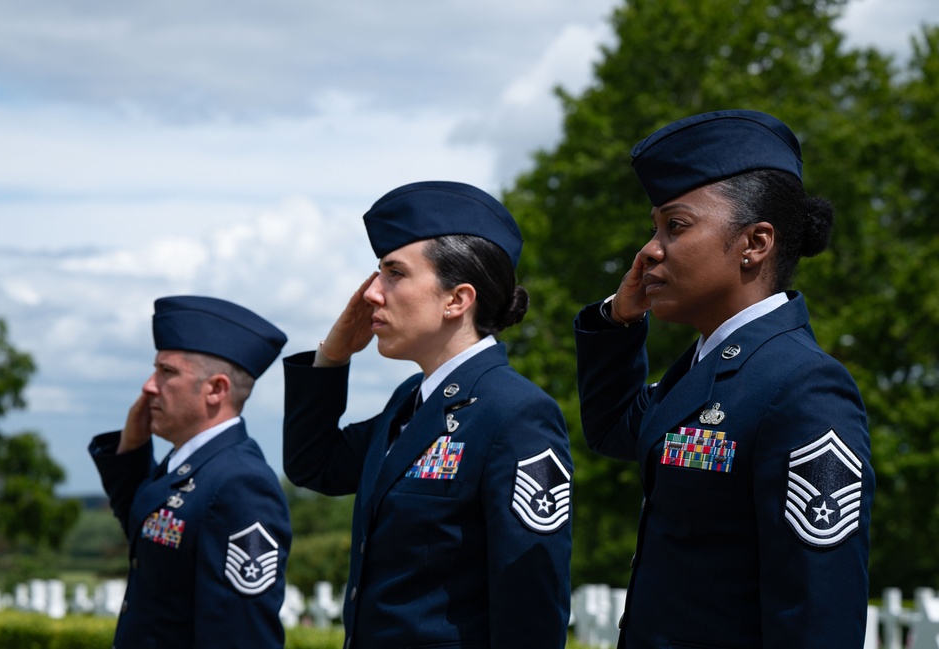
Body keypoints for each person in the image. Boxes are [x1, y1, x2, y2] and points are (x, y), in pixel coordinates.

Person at [574, 109, 875, 648]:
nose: (648, 251)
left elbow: (817, 616)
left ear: (755, 243)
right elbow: (613, 425)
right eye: (654, 228)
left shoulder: (802, 387)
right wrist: (617, 321)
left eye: (676, 226)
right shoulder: (700, 373)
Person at [282, 181, 573, 648]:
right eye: (377, 273)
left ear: (456, 300)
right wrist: (332, 357)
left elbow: (531, 596)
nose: (371, 294)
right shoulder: (410, 401)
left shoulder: (515, 413)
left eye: (394, 273)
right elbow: (312, 464)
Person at [89, 295, 291, 649]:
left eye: (167, 372)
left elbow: (240, 637)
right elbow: (145, 529)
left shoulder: (239, 484)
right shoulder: (189, 465)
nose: (149, 386)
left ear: (215, 389)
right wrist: (132, 448)